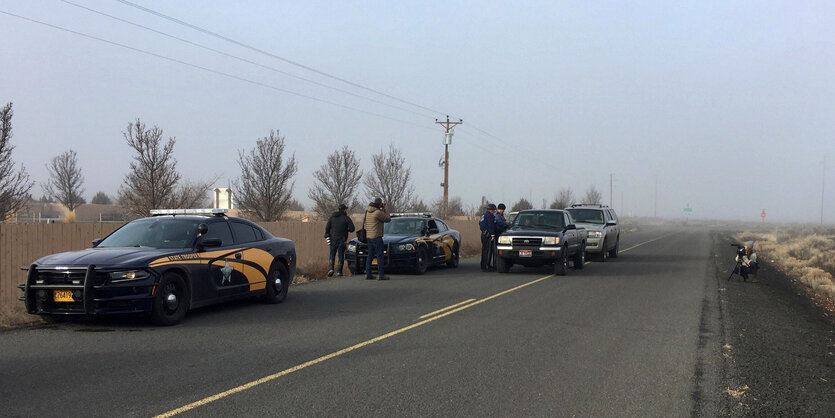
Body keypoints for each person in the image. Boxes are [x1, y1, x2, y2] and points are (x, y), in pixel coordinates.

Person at [364, 197, 392, 280]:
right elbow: (388, 219)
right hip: (376, 237)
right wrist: (385, 209)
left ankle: (368, 273)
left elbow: (380, 217)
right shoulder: (377, 212)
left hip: (369, 237)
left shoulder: (368, 212)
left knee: (370, 255)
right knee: (380, 255)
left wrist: (381, 210)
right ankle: (381, 274)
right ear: (379, 204)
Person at [324, 203, 355, 277]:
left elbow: (327, 227)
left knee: (332, 254)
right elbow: (352, 228)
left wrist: (327, 235)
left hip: (333, 239)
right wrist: (346, 230)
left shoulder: (332, 217)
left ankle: (331, 269)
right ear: (344, 210)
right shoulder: (346, 218)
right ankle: (339, 272)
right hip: (342, 239)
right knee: (341, 255)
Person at [479, 203, 497, 271]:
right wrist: (492, 235)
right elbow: (491, 225)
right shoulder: (490, 216)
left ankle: (483, 265)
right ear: (491, 210)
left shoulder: (483, 215)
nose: (494, 211)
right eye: (494, 210)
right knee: (488, 251)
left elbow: (480, 223)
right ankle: (486, 266)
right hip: (488, 235)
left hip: (483, 234)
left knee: (484, 250)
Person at [492, 203, 509, 270]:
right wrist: (508, 224)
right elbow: (501, 223)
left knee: (497, 250)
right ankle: (495, 265)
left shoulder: (501, 215)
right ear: (502, 209)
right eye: (503, 210)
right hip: (497, 234)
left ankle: (496, 264)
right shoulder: (497, 216)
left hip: (500, 234)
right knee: (496, 250)